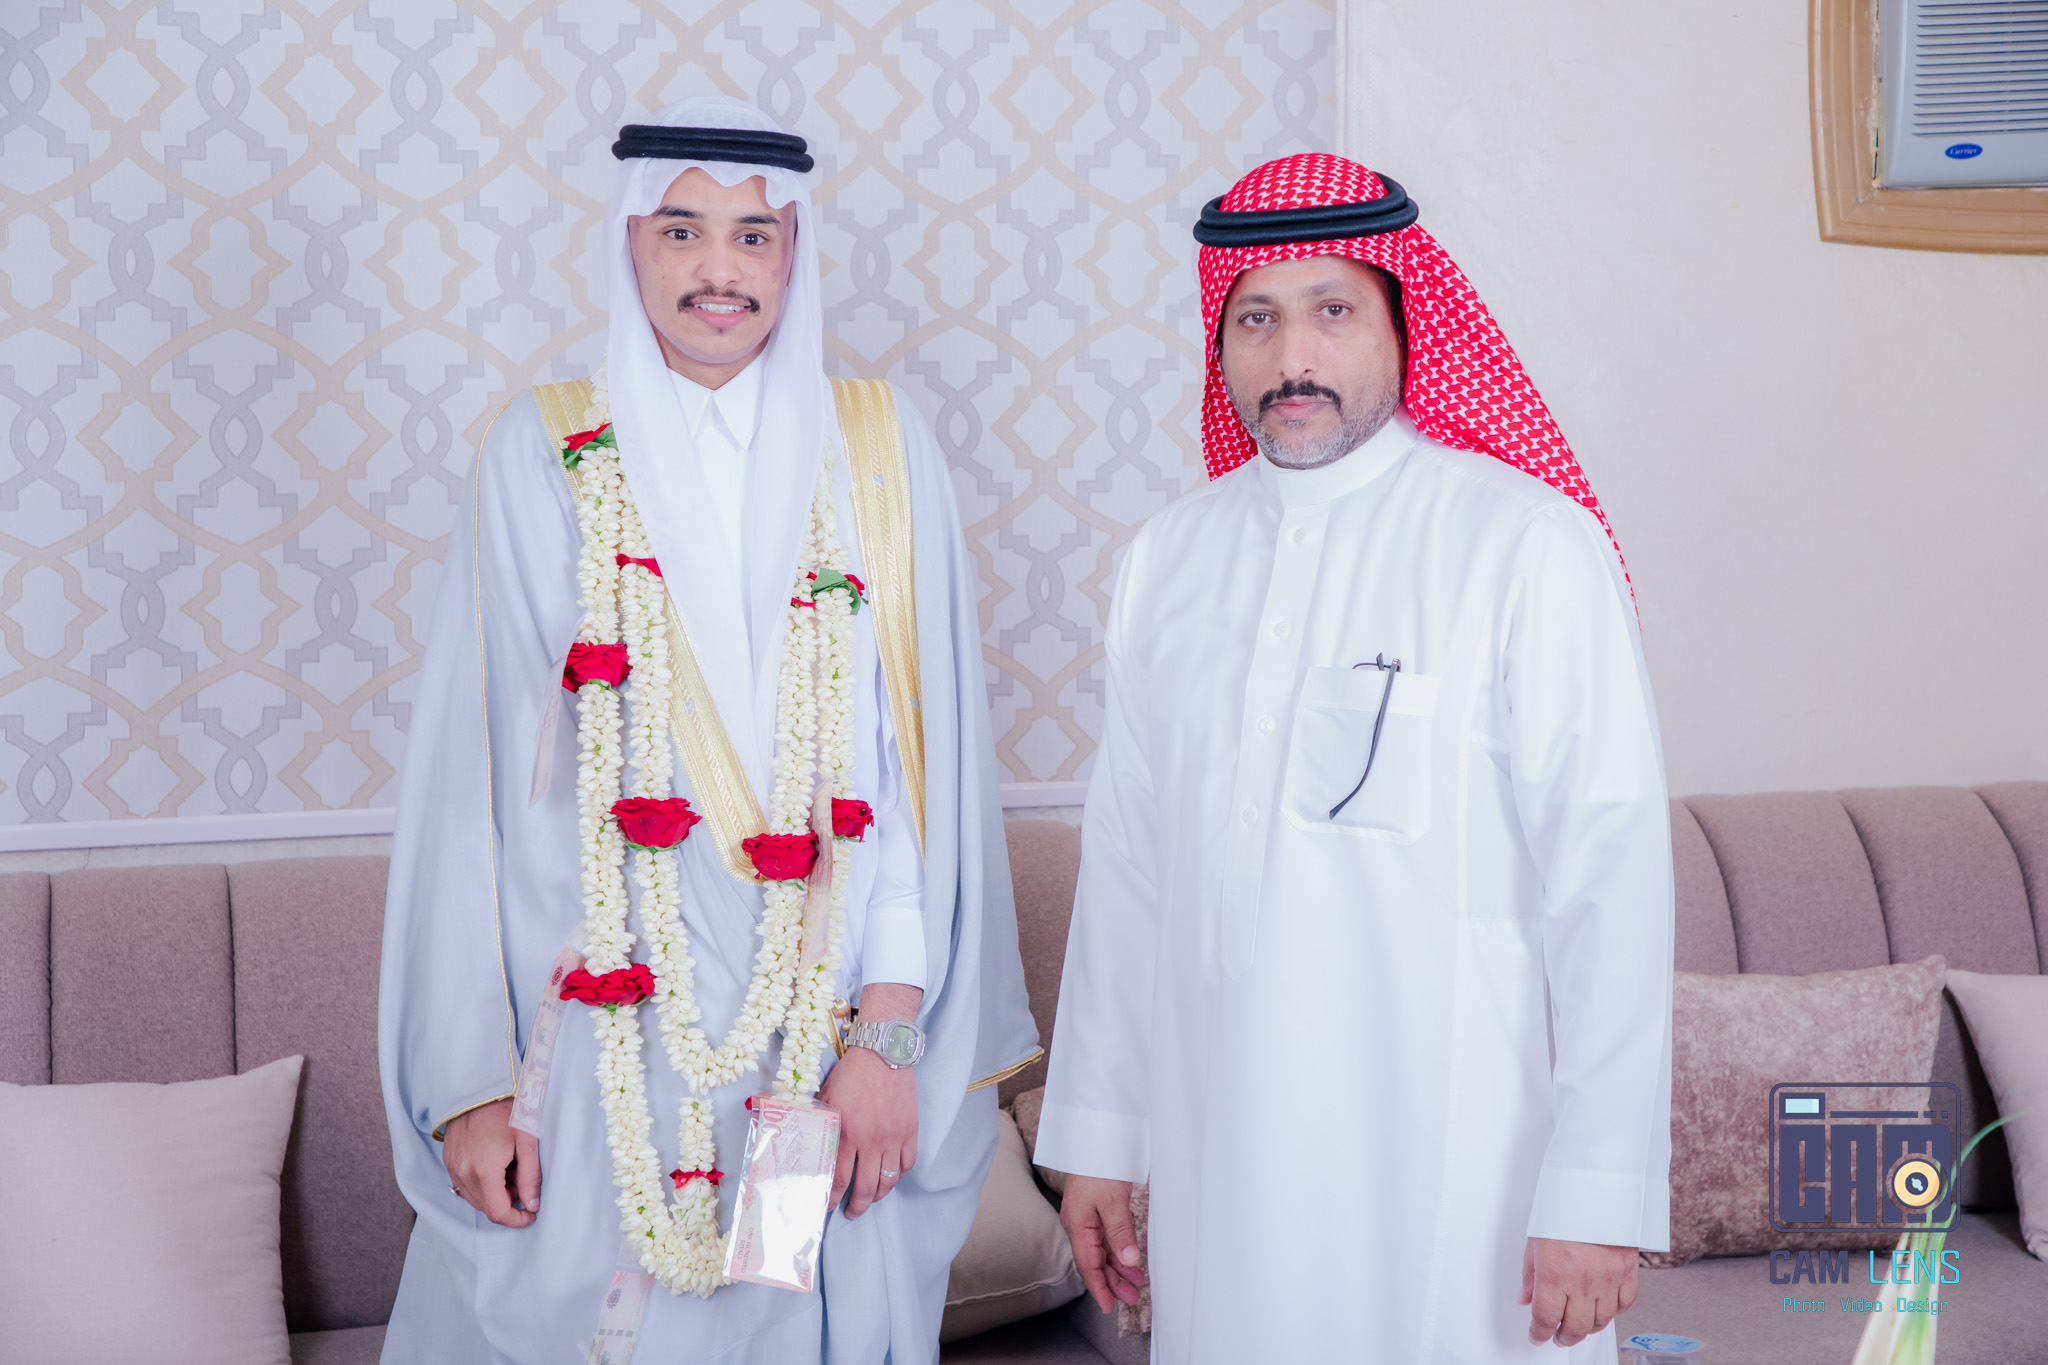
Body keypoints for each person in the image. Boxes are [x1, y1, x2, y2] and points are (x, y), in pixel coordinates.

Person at [377, 96, 1038, 1365]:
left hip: (818, 1045)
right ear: (628, 243)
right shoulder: (545, 451)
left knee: (790, 1315)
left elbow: (905, 783)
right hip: (597, 1053)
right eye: (681, 231)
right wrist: (468, 1083)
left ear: (795, 254)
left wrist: (885, 1039)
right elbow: (471, 785)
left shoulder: (876, 447)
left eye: (753, 235)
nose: (718, 270)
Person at [1033, 153, 1673, 1364]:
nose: (1293, 358)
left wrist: (1597, 1189)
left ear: (1401, 324)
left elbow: (1611, 879)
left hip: (1456, 1167)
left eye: (1332, 310)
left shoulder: (1522, 543)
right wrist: (1099, 1142)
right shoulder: (1169, 559)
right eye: (1256, 319)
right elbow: (1126, 874)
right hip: (1223, 1162)